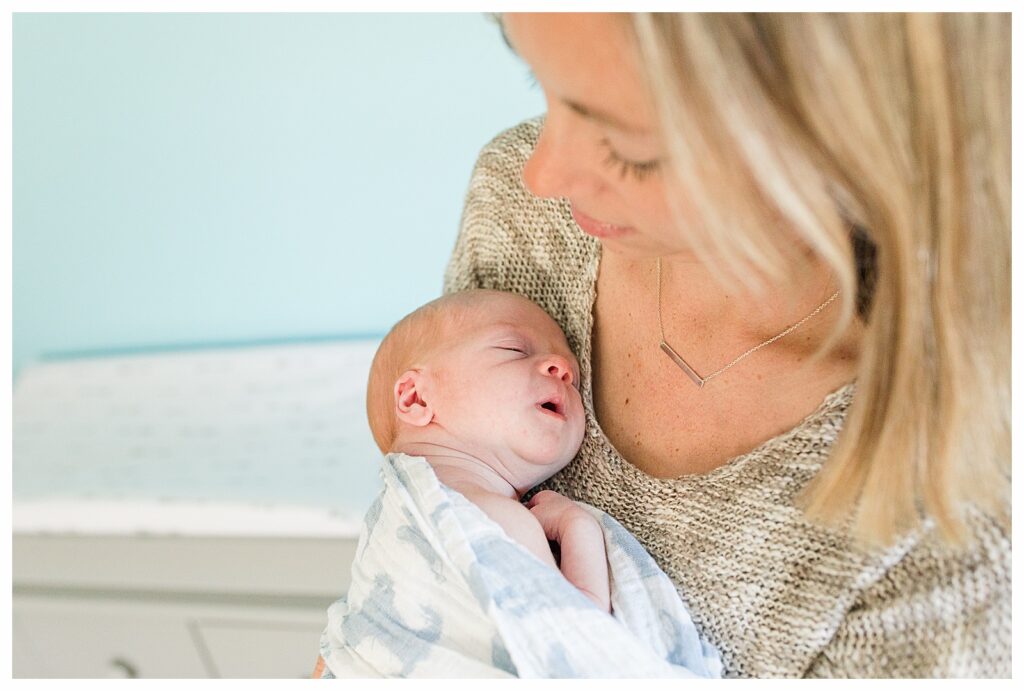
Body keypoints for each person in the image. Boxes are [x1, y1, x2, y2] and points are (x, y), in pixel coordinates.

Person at [441, 13, 1010, 678]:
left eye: (631, 150)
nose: (545, 170)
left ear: (849, 131)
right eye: (540, 78)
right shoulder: (518, 217)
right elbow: (421, 518)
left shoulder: (954, 508)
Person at [364, 288, 607, 612]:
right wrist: (578, 528)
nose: (562, 368)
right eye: (515, 350)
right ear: (416, 398)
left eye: (574, 381)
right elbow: (584, 642)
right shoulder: (497, 522)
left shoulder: (389, 523)